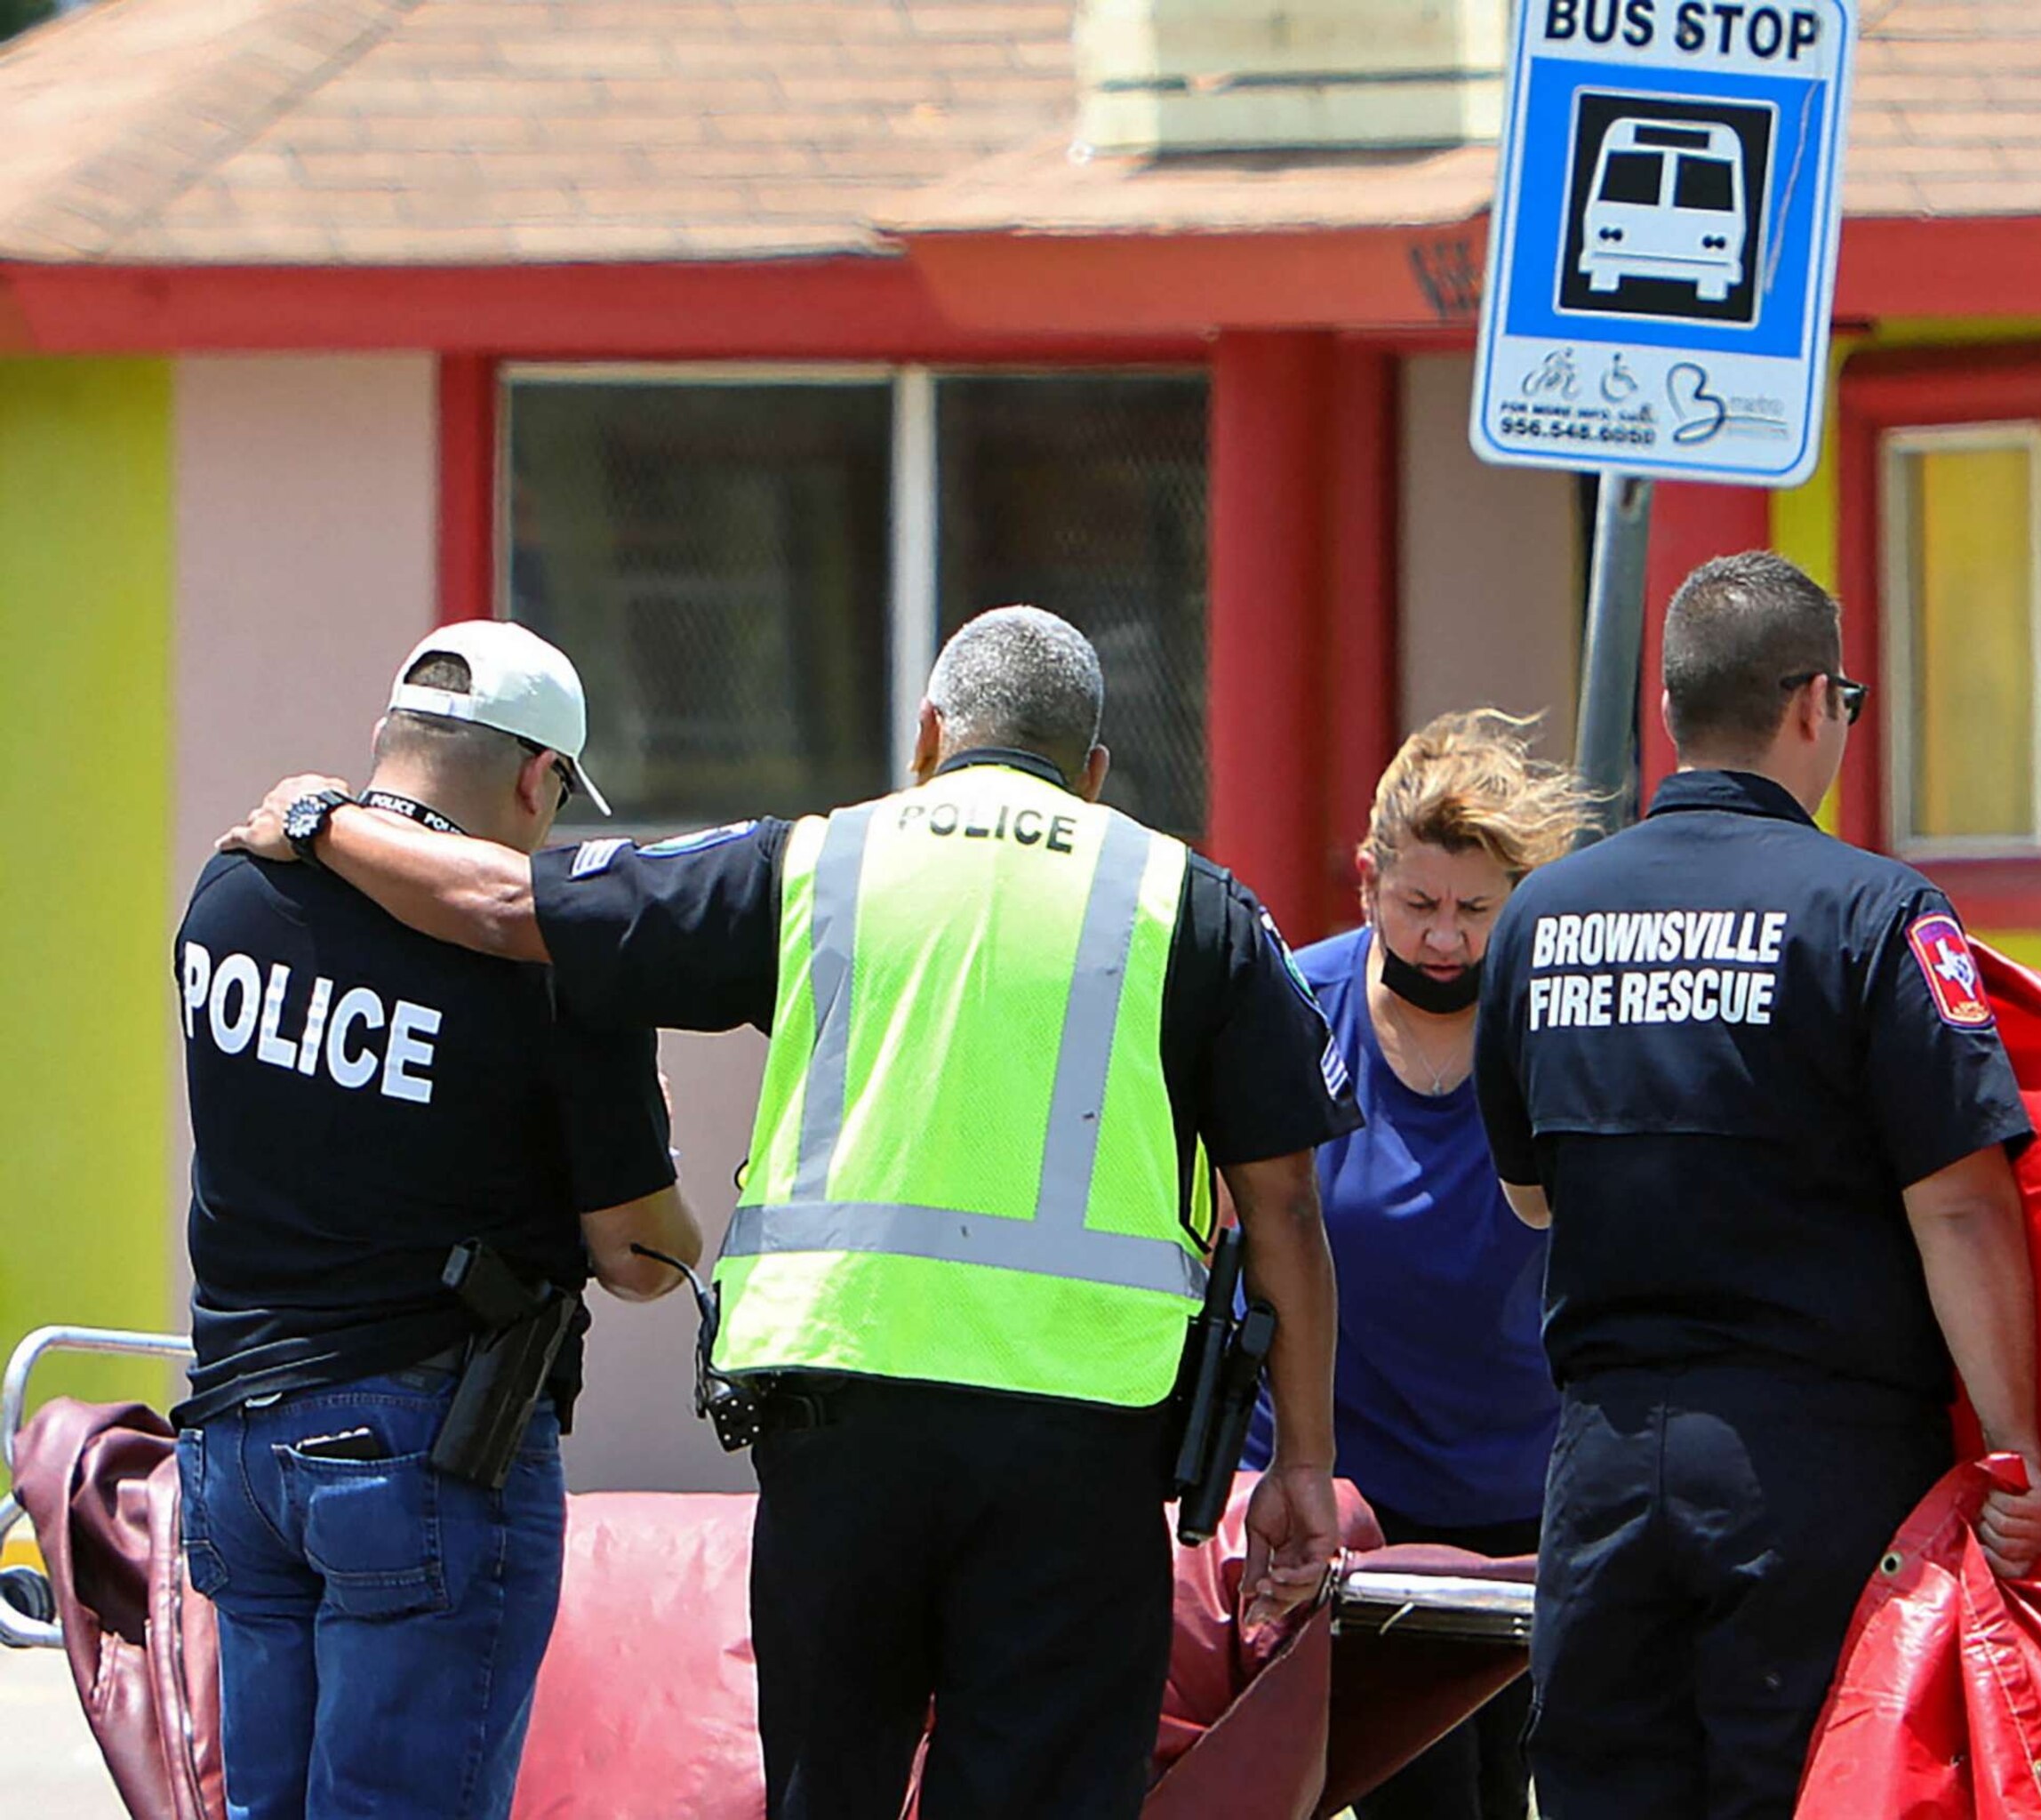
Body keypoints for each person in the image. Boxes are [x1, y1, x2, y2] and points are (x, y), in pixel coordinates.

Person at [220, 605, 1357, 1820]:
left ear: (928, 735)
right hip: (1080, 1451)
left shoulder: (818, 863)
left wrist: (319, 820)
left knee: (831, 1785)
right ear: (1093, 769)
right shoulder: (1192, 904)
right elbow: (1282, 1204)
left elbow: (508, 905)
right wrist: (1302, 1458)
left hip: (839, 1430)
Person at [1471, 552, 2041, 1820]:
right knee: (1807, 1787)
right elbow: (1959, 1201)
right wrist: (2016, 1445)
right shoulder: (1875, 912)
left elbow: (1532, 1195)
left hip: (1602, 1460)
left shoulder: (1541, 917)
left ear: (1677, 708)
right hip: (1817, 1465)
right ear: (1809, 703)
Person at [174, 621, 702, 1820]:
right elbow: (641, 1252)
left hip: (234, 1446)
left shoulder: (232, 890)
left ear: (389, 745)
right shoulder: (557, 959)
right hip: (421, 1453)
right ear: (536, 778)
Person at [1241, 710, 1597, 1820]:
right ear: (1367, 881)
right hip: (1360, 1513)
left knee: (1518, 1794)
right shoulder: (1295, 1008)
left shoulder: (1563, 1022)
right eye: (1420, 904)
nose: (1445, 938)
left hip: (1529, 1505)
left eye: (1476, 913)